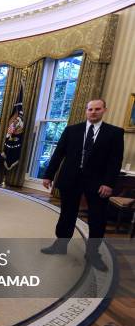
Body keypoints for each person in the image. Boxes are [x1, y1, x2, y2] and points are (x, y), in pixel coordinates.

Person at [41, 99, 124, 269]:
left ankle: (93, 253)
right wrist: (48, 175)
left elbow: (115, 161)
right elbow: (58, 154)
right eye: (90, 109)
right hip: (70, 179)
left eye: (97, 109)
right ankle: (60, 246)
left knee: (97, 220)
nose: (93, 112)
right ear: (86, 111)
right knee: (66, 215)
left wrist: (109, 183)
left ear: (104, 110)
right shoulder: (72, 130)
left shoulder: (114, 133)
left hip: (98, 183)